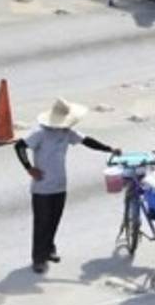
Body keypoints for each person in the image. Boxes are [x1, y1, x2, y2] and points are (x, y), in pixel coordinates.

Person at [13, 98, 119, 273]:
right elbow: (19, 147)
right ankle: (38, 258)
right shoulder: (39, 133)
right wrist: (29, 168)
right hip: (42, 188)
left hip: (60, 185)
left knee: (54, 220)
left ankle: (49, 249)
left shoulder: (66, 132)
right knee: (42, 223)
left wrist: (109, 149)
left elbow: (87, 141)